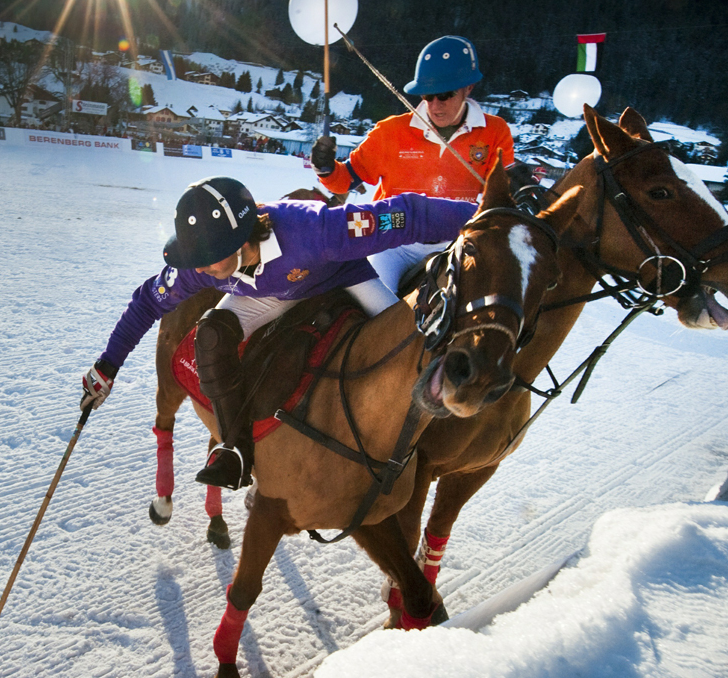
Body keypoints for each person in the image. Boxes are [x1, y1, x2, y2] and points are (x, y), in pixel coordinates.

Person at [81, 176, 476, 491]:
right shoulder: (200, 263)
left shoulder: (314, 231)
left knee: (412, 344)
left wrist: (484, 215)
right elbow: (147, 302)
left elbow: (405, 215)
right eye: (194, 259)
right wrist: (107, 366)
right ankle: (235, 451)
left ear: (243, 237)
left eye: (207, 259)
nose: (199, 270)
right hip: (261, 293)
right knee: (210, 335)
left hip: (340, 278)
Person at [311, 35, 515, 292]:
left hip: (456, 240)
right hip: (392, 235)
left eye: (445, 95)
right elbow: (345, 181)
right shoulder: (390, 131)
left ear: (469, 87)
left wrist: (516, 183)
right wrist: (326, 168)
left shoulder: (495, 131)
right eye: (427, 96)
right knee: (374, 308)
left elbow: (503, 193)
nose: (434, 106)